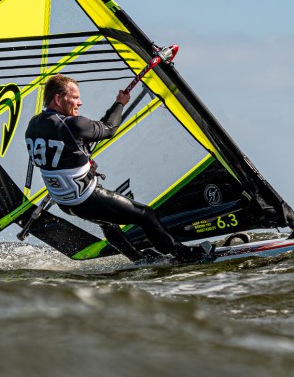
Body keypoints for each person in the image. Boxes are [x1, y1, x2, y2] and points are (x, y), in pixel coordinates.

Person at [24, 74, 213, 263]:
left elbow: (59, 154)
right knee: (145, 215)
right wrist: (120, 103)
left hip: (65, 202)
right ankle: (185, 255)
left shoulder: (33, 125)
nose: (80, 102)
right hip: (86, 198)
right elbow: (108, 128)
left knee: (108, 223)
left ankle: (138, 259)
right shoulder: (73, 124)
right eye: (75, 97)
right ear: (58, 98)